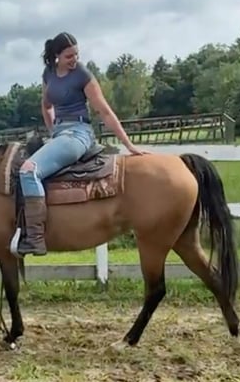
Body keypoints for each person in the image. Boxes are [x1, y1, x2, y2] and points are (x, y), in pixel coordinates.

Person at [15, 31, 149, 257]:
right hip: (60, 134)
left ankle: (35, 238)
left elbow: (104, 111)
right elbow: (46, 106)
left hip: (79, 134)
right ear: (57, 56)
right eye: (69, 56)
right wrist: (52, 132)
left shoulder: (82, 75)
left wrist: (129, 145)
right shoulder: (48, 74)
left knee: (29, 171)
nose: (74, 59)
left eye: (76, 54)